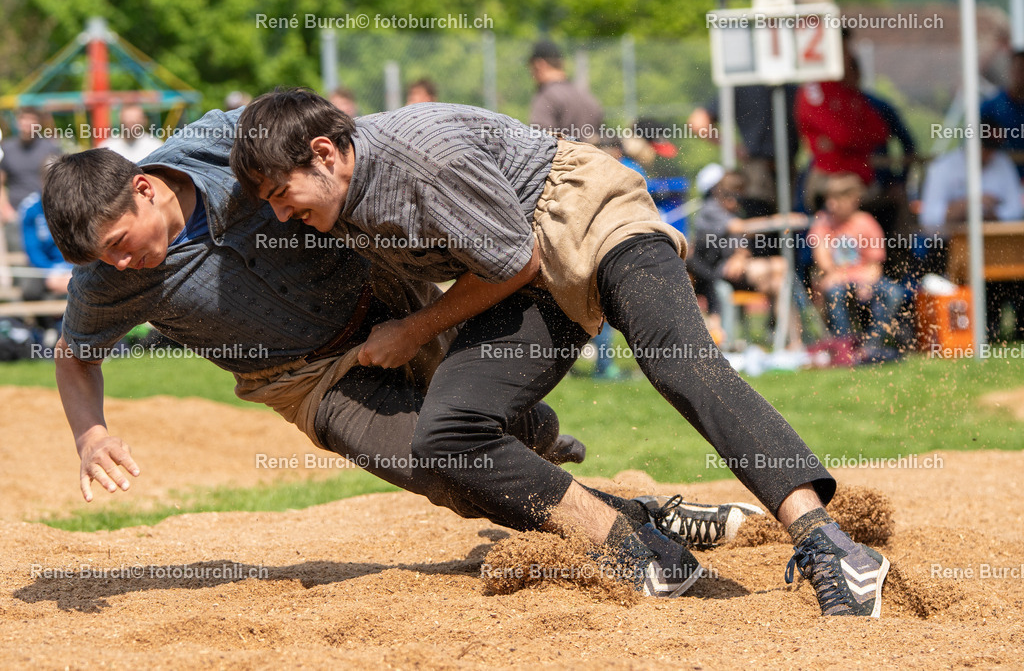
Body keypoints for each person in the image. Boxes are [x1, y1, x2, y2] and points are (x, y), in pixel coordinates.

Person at [230, 89, 891, 615]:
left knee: (678, 363)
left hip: (588, 214)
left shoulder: (418, 156)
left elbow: (515, 260)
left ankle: (830, 545)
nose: (281, 214)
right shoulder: (339, 201)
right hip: (523, 274)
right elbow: (508, 266)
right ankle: (638, 547)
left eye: (281, 194)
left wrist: (413, 332)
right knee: (447, 432)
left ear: (325, 153)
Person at [41, 108, 751, 571]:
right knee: (441, 467)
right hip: (309, 378)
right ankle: (638, 523)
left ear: (143, 189)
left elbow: (328, 147)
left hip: (391, 300)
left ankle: (536, 436)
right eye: (101, 259)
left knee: (483, 427)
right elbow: (74, 357)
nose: (118, 264)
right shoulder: (106, 283)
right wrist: (90, 434)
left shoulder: (222, 144)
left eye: (119, 243)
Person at [919, 134, 1024, 340]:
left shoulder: (1002, 164)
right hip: (950, 248)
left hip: (998, 248)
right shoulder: (943, 167)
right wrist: (967, 204)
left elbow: (1015, 209)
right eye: (986, 147)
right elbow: (929, 219)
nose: (990, 154)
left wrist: (993, 212)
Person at [688, 164, 805, 349]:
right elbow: (739, 228)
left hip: (737, 269)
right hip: (714, 272)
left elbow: (742, 243)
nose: (734, 201)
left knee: (780, 284)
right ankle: (782, 336)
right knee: (781, 265)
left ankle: (793, 342)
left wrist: (741, 256)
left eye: (738, 197)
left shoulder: (733, 210)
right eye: (730, 196)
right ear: (718, 192)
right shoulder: (710, 209)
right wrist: (780, 220)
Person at [808, 174, 907, 352]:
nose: (831, 205)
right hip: (837, 279)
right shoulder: (822, 222)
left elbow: (875, 266)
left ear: (853, 201)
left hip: (864, 278)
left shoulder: (866, 223)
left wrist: (865, 282)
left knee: (894, 293)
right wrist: (843, 276)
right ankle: (845, 346)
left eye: (837, 200)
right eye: (829, 199)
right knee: (835, 291)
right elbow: (824, 263)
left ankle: (870, 346)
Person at [795, 45, 890, 215]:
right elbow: (842, 135)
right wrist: (856, 138)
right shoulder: (816, 88)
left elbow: (880, 132)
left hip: (861, 179)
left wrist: (847, 138)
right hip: (829, 176)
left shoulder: (852, 95)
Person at [688, 84, 799, 208]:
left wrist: (734, 149)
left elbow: (699, 123)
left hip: (763, 173)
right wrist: (735, 149)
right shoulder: (788, 85)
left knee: (759, 214)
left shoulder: (743, 84)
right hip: (766, 173)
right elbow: (698, 122)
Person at [0, 108, 62, 252]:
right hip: (15, 214)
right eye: (24, 119)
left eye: (31, 120)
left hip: (43, 213)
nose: (27, 124)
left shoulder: (50, 148)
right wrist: (5, 209)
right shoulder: (7, 149)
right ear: (17, 122)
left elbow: (59, 181)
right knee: (18, 258)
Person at [528, 40, 603, 144]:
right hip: (591, 153)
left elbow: (539, 141)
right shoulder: (586, 96)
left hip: (562, 154)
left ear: (540, 65)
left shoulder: (546, 97)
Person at [981, 50, 1024, 178]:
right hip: (998, 179)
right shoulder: (991, 107)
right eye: (1020, 70)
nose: (1022, 76)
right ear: (1011, 71)